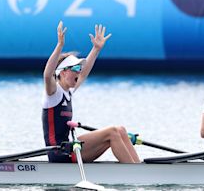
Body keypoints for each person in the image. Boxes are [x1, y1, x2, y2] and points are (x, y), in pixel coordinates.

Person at [42, 21, 140, 163]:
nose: (79, 72)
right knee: (112, 132)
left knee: (120, 130)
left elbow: (84, 71)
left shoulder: (68, 91)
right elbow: (47, 74)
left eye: (79, 69)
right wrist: (59, 46)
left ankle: (137, 167)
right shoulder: (53, 93)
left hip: (70, 147)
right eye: (75, 69)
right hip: (59, 153)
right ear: (63, 73)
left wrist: (96, 48)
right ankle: (135, 173)